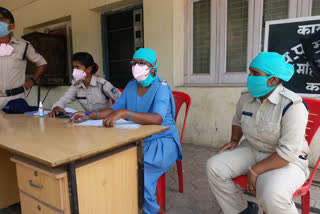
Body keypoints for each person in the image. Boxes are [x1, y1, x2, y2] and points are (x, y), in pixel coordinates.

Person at [70, 48, 182, 214]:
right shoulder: (131, 85)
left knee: (140, 175)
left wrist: (125, 113)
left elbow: (158, 119)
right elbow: (115, 109)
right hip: (138, 137)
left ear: (152, 66)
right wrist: (90, 115)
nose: (136, 66)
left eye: (141, 63)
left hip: (162, 141)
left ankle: (152, 210)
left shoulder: (161, 86)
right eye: (134, 63)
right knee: (117, 164)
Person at [206, 52, 309, 214]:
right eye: (250, 72)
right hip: (253, 149)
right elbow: (238, 120)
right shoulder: (247, 97)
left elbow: (287, 153)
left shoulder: (292, 106)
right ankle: (242, 210)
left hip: (287, 160)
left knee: (272, 195)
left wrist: (254, 171)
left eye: (255, 73)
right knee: (214, 166)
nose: (250, 77)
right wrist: (234, 139)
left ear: (273, 80)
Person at [0, 7, 47, 110]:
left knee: (18, 125)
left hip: (15, 98)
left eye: (2, 19)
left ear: (12, 26)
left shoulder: (23, 45)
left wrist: (32, 81)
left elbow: (42, 63)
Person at [48, 52, 121, 118]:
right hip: (88, 121)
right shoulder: (76, 85)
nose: (74, 70)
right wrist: (56, 108)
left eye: (77, 67)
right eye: (74, 67)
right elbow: (64, 100)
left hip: (106, 120)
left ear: (89, 69)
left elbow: (122, 101)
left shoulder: (103, 85)